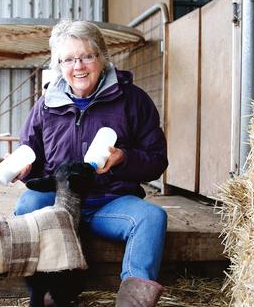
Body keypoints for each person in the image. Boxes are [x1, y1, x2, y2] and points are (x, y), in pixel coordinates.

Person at [14, 19, 168, 307]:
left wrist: (123, 158)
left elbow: (156, 160)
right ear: (59, 64)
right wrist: (24, 168)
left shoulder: (132, 100)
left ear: (102, 57)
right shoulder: (47, 104)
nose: (79, 66)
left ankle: (132, 300)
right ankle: (45, 291)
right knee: (27, 205)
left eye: (87, 56)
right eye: (69, 59)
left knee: (151, 218)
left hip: (109, 202)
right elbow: (28, 150)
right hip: (58, 201)